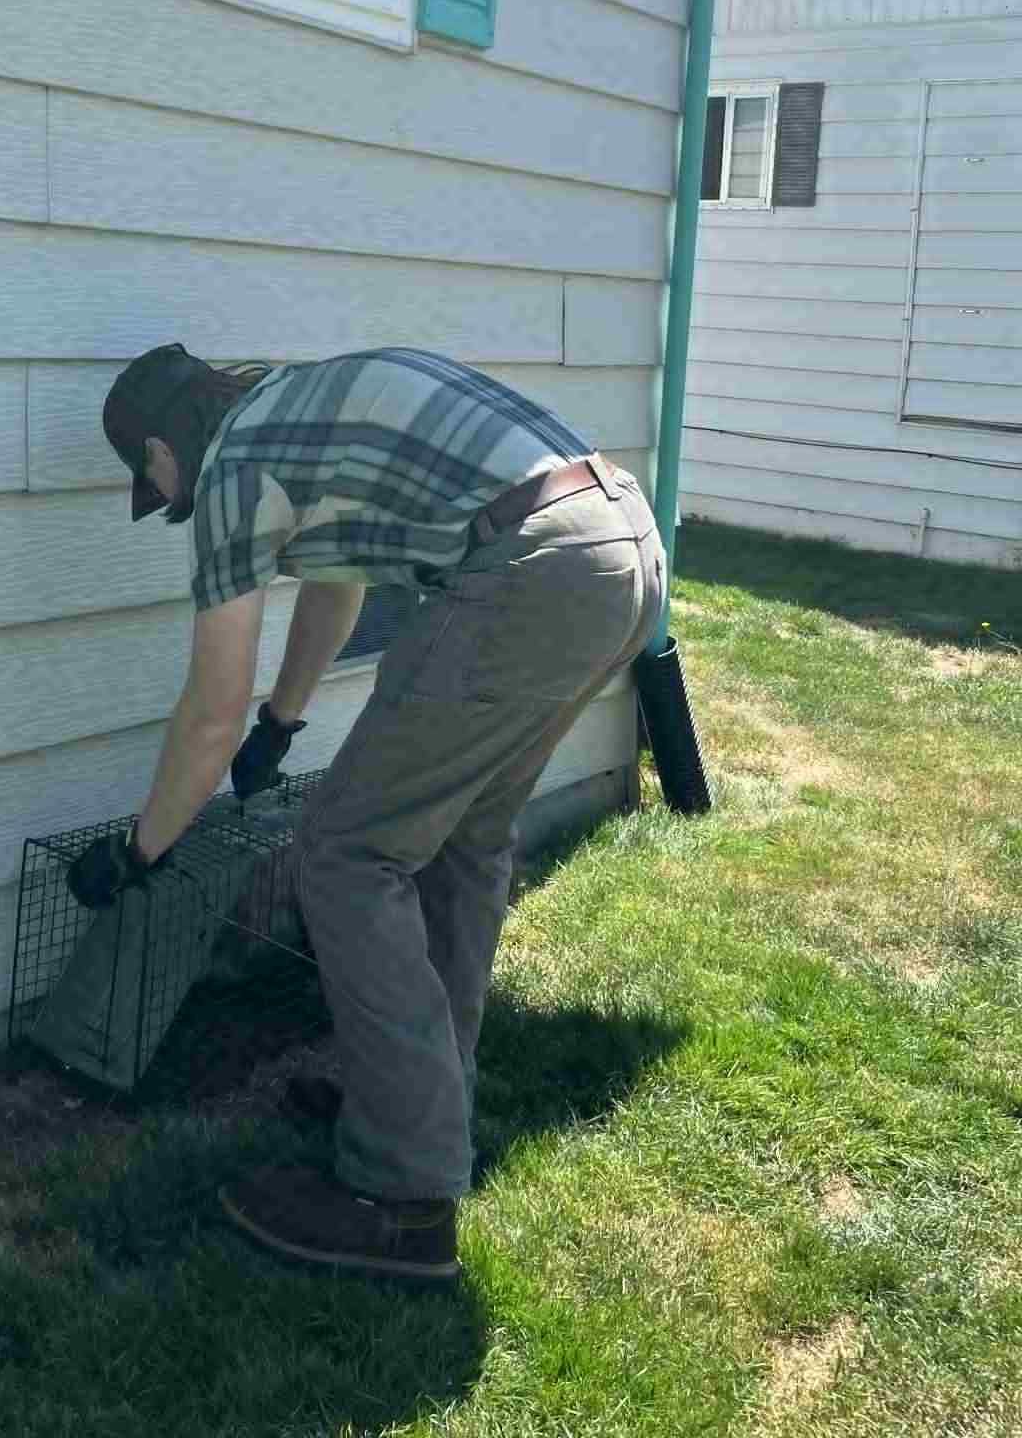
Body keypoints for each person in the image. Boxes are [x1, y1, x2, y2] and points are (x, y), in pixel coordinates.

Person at [66, 343, 665, 1282]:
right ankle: (425, 1103)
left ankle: (400, 1199)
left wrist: (140, 852)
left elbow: (207, 711)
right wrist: (284, 722)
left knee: (346, 855)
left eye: (156, 484)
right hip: (618, 539)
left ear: (159, 448)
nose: (171, 501)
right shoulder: (293, 406)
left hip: (533, 567)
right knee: (461, 843)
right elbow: (335, 587)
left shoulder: (230, 467)